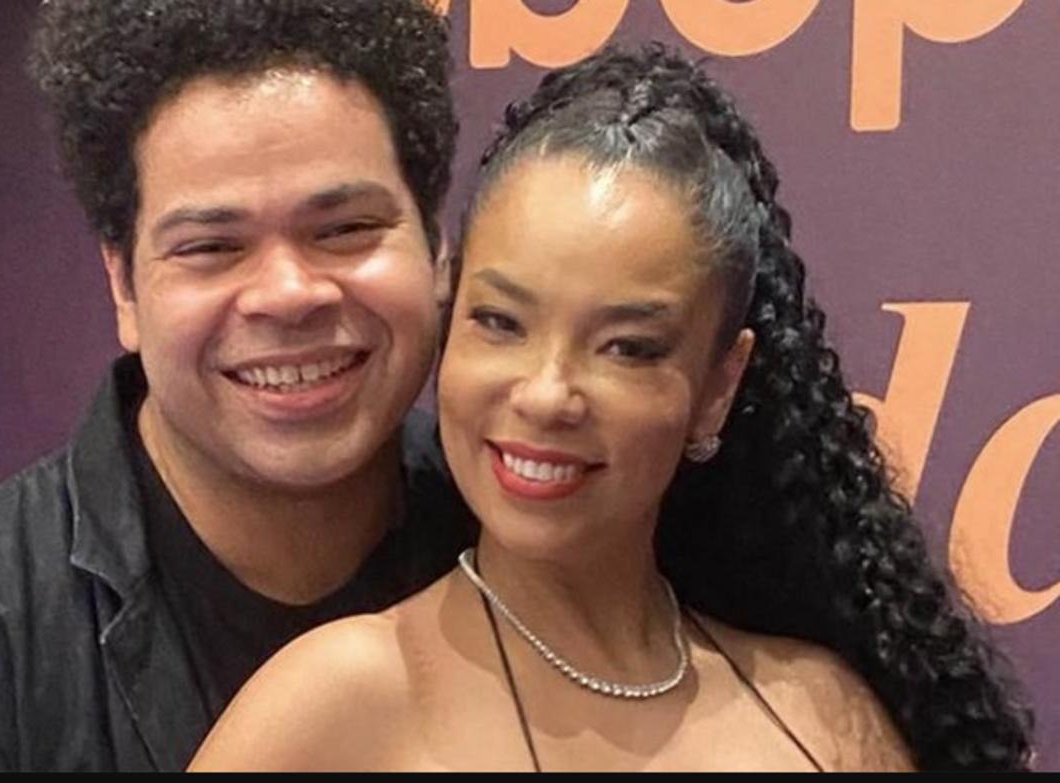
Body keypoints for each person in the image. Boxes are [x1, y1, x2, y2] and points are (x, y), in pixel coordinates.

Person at [188, 45, 1035, 772]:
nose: (547, 392)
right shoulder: (335, 709)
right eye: (500, 322)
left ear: (718, 386)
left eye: (628, 346)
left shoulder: (817, 709)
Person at [0, 0, 470, 771]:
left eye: (345, 229)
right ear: (123, 285)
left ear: (436, 248)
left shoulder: (540, 543)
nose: (288, 293)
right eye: (211, 246)